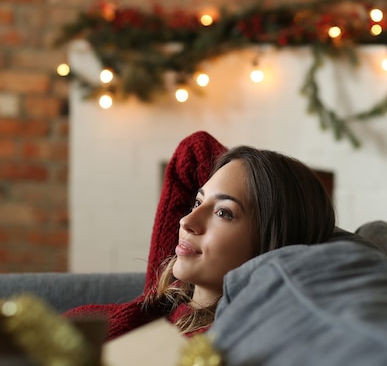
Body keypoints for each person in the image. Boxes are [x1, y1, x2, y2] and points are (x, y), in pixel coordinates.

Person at [64, 131, 336, 340]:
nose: (186, 221)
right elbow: (193, 149)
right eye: (197, 202)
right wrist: (247, 171)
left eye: (224, 213)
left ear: (271, 242)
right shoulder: (165, 298)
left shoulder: (220, 342)